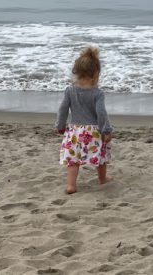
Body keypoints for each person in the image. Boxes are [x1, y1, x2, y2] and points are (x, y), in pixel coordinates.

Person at [56, 46, 113, 194]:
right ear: (95, 73)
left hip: (74, 131)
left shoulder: (70, 90)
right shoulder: (98, 93)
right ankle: (102, 179)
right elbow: (101, 113)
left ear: (76, 71)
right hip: (93, 132)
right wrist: (106, 130)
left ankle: (71, 185)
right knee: (100, 157)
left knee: (73, 159)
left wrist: (60, 126)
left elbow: (63, 109)